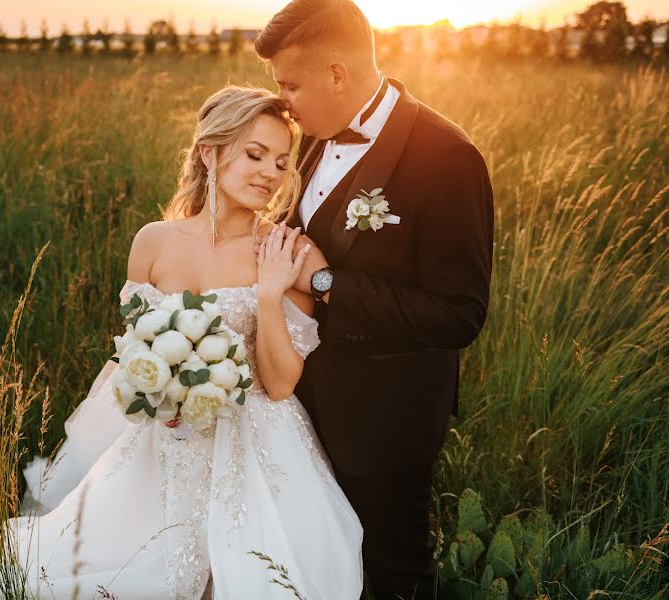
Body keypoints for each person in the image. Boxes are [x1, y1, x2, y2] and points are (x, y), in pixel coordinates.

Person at [0, 86, 363, 600]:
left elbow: (281, 385)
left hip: (259, 440)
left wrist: (268, 295)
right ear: (210, 152)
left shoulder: (290, 250)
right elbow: (133, 350)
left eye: (282, 162)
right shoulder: (153, 241)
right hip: (164, 438)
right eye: (254, 154)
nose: (270, 173)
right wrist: (153, 400)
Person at [254, 1, 495, 598]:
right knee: (322, 564)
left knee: (393, 570)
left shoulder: (447, 156)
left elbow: (459, 313)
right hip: (299, 404)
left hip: (385, 421)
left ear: (337, 74)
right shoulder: (310, 138)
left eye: (291, 85)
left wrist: (328, 284)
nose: (284, 103)